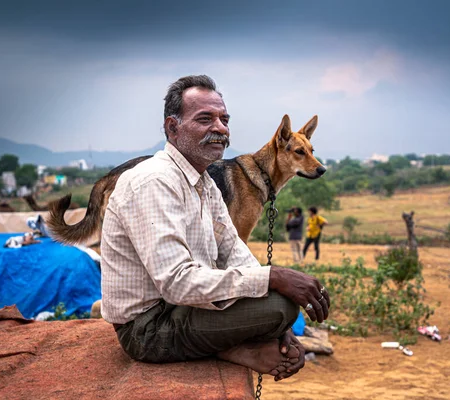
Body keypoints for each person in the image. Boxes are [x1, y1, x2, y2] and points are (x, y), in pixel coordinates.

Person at [100, 75, 330, 382]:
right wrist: (273, 277)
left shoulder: (205, 182)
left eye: (224, 119)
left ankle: (230, 346)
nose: (219, 128)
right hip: (148, 327)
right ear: (172, 128)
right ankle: (228, 349)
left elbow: (233, 250)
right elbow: (177, 283)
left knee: (282, 307)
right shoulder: (154, 182)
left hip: (182, 308)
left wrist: (282, 324)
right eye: (205, 119)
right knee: (280, 305)